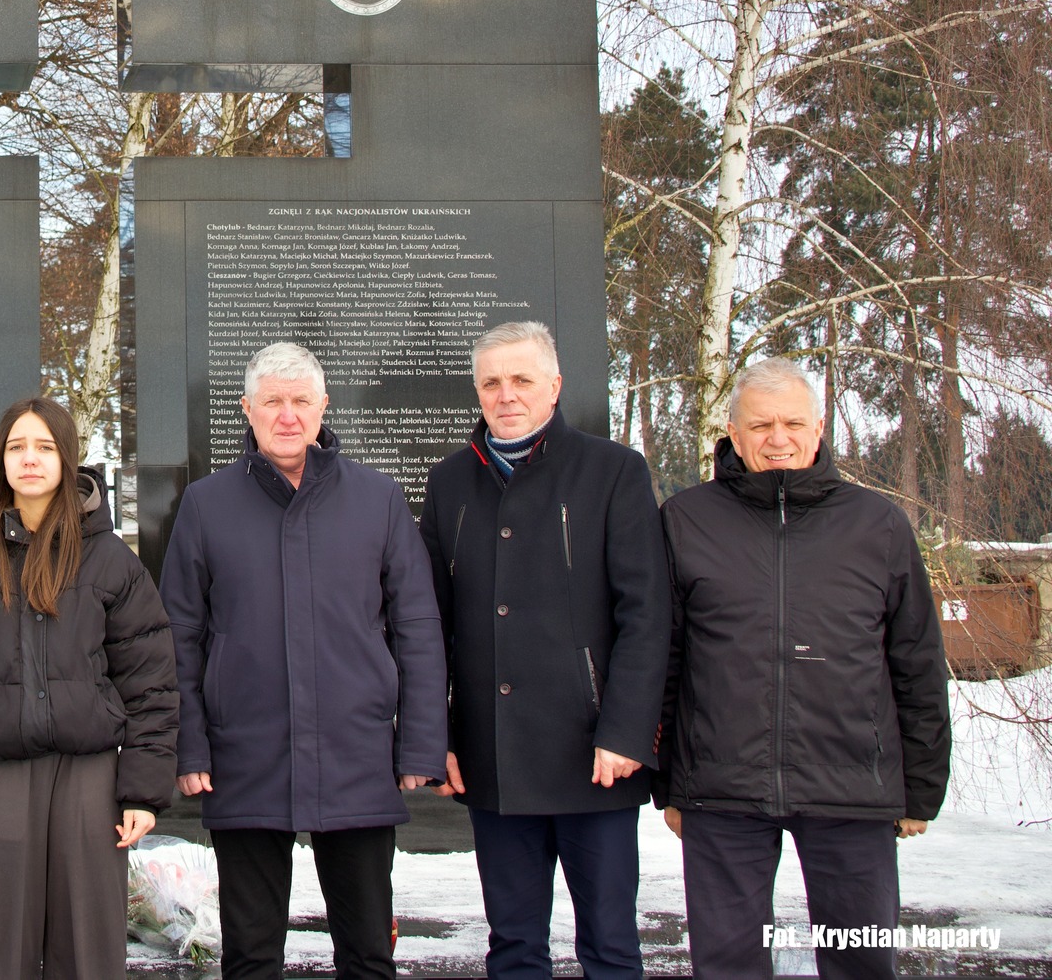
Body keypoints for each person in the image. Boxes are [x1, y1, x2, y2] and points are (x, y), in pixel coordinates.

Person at [160, 342, 447, 980]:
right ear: (248, 410)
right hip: (245, 760)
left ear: (322, 409)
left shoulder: (378, 499)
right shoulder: (206, 505)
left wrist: (421, 748)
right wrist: (191, 746)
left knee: (369, 952)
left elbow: (418, 628)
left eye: (299, 402)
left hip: (357, 758)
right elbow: (179, 634)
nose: (287, 416)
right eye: (272, 402)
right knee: (251, 955)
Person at [658, 357, 951, 980]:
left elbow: (917, 661)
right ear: (733, 434)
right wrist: (670, 785)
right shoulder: (686, 521)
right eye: (760, 425)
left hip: (851, 787)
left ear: (819, 428)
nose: (778, 438)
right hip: (721, 789)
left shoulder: (878, 524)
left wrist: (920, 788)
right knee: (727, 962)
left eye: (793, 422)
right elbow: (665, 659)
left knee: (860, 961)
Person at [417, 321, 669, 980]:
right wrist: (436, 735)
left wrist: (626, 730)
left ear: (554, 386)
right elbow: (429, 624)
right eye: (491, 381)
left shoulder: (615, 472)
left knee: (610, 947)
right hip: (493, 761)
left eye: (522, 378)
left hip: (596, 758)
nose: (506, 394)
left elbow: (646, 614)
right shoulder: (448, 484)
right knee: (514, 948)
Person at [0, 396, 179, 980]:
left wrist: (141, 789)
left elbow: (151, 683)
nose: (29, 459)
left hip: (89, 778)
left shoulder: (110, 562)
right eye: (16, 447)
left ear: (67, 460)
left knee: (88, 947)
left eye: (44, 447)